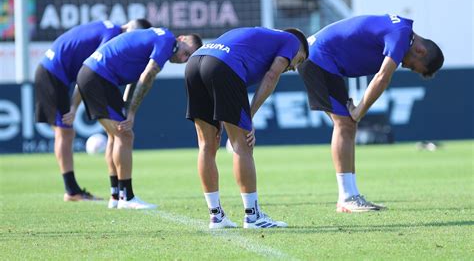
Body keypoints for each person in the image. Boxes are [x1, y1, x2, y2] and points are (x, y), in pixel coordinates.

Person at [297, 14, 444, 213]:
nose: (406, 66)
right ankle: (347, 198)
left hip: (322, 58)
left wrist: (357, 114)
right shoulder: (400, 36)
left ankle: (351, 195)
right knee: (346, 124)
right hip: (317, 58)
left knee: (347, 126)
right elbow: (382, 78)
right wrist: (358, 112)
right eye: (413, 67)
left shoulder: (402, 31)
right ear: (420, 50)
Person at [185, 27, 308, 228]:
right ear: (299, 47)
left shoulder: (262, 40)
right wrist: (248, 118)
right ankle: (253, 216)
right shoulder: (292, 40)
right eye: (300, 60)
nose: (294, 66)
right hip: (222, 64)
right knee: (242, 144)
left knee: (206, 145)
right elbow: (271, 77)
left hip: (195, 62)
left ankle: (216, 216)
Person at [77, 27, 202, 209]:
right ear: (181, 39)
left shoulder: (160, 39)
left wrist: (128, 107)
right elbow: (147, 76)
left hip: (93, 73)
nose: (183, 59)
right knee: (125, 135)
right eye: (186, 53)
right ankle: (126, 197)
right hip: (98, 77)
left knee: (116, 135)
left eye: (188, 59)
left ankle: (115, 195)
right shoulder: (167, 43)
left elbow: (135, 79)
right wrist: (132, 112)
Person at [35, 19, 152, 202]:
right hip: (52, 73)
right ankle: (72, 190)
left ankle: (73, 189)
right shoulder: (112, 36)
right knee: (64, 132)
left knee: (66, 132)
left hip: (52, 71)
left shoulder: (109, 28)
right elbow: (89, 71)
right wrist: (74, 106)